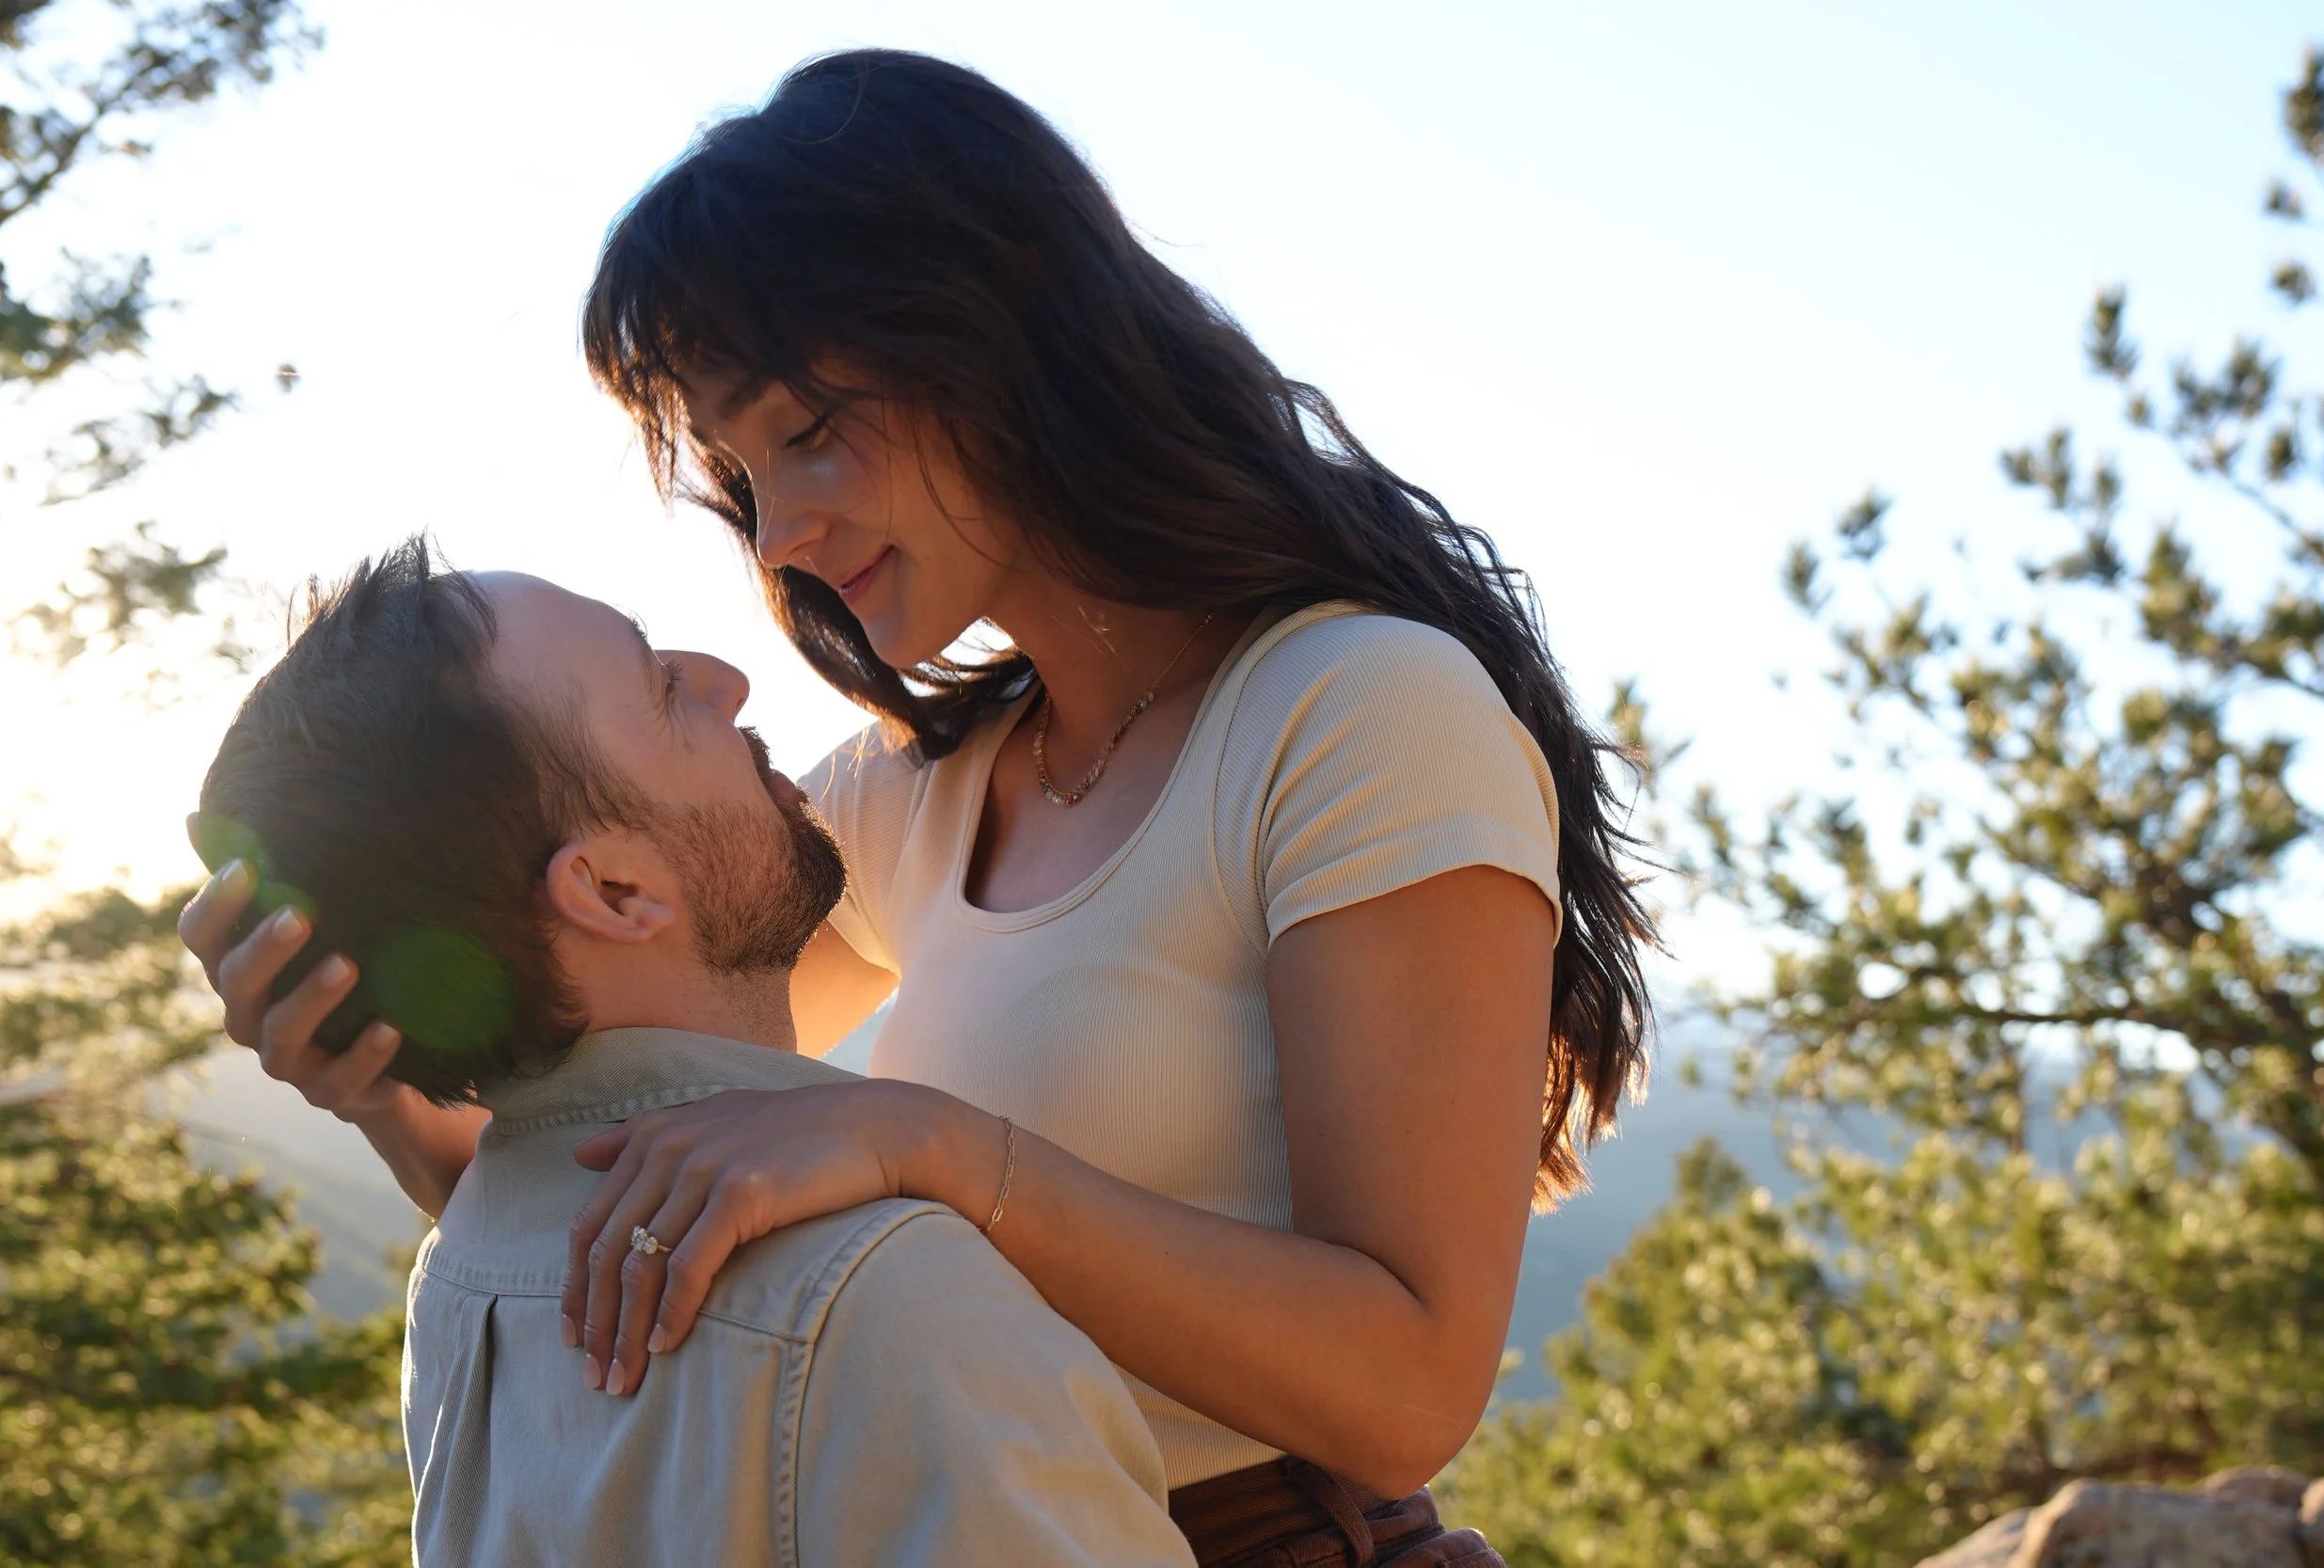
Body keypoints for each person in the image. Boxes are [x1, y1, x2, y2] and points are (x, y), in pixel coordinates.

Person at [181, 49, 1657, 1566]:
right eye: (747, 476)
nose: (784, 537)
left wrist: (934, 1146)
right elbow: (633, 1162)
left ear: (1001, 342)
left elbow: (1406, 1387)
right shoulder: (910, 795)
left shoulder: (1355, 711)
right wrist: (370, 1064)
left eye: (810, 433)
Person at [188, 540, 1194, 1568]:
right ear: (615, 891)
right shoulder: (890, 1299)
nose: (728, 678)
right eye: (663, 689)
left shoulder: (463, 1278)